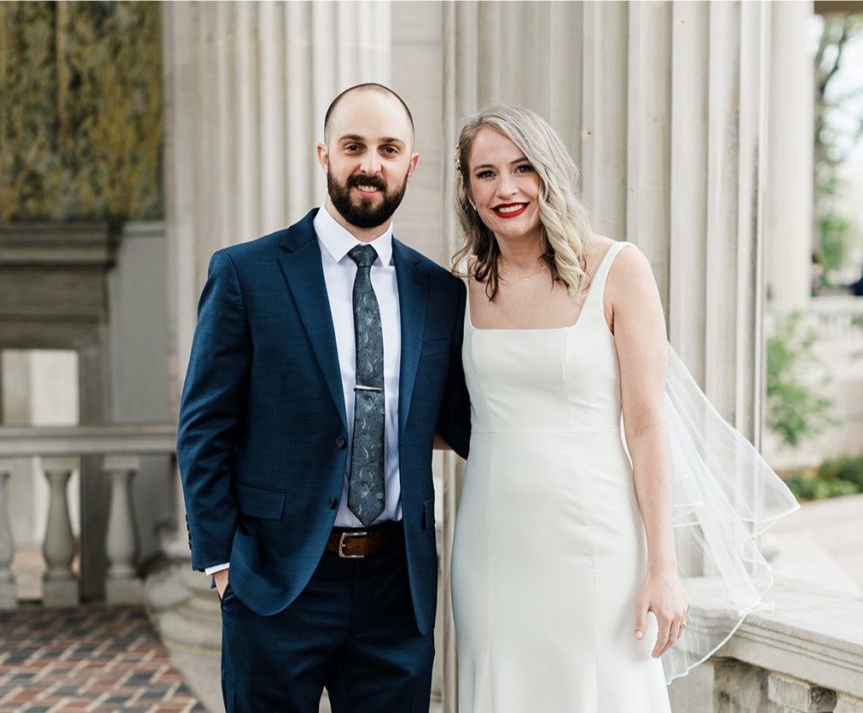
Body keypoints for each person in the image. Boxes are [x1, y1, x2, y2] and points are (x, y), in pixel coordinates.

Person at [449, 105, 799, 711]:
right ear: (468, 190)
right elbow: (447, 413)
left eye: (522, 168)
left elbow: (645, 425)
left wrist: (664, 566)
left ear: (550, 173)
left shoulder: (617, 269)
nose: (505, 189)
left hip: (597, 545)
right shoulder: (464, 282)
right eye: (486, 173)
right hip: (491, 545)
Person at [177, 83, 470, 712]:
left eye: (389, 149)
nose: (371, 164)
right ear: (324, 155)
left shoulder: (438, 292)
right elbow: (204, 426)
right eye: (353, 146)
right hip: (277, 582)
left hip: (398, 587)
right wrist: (221, 563)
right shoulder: (246, 274)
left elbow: (467, 422)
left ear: (410, 166)